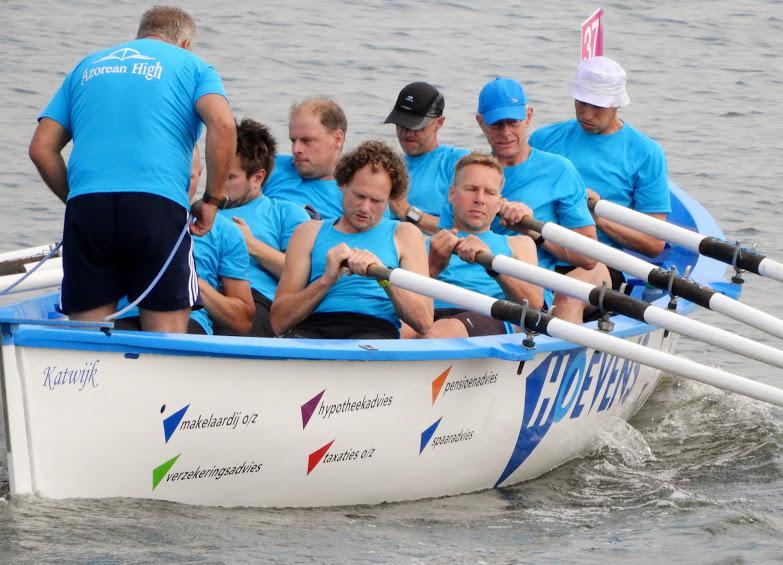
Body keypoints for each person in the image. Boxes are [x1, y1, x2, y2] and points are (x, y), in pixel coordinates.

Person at [28, 6, 236, 333]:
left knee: (87, 338)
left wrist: (76, 198)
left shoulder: (87, 66)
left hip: (89, 206)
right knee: (166, 335)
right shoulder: (193, 66)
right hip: (156, 205)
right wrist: (211, 200)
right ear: (184, 44)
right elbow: (223, 125)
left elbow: (42, 148)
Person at [440, 77, 611, 323]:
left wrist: (534, 232)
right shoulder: (471, 174)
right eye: (497, 124)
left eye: (513, 122)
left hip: (528, 293)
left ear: (528, 117)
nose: (506, 133)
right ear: (480, 123)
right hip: (465, 283)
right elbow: (447, 237)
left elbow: (588, 256)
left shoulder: (559, 170)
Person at [271, 140, 433, 339]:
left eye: (376, 201)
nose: (365, 208)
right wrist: (326, 281)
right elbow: (278, 323)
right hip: (312, 328)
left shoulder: (405, 234)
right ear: (342, 184)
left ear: (390, 198)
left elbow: (423, 322)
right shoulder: (307, 233)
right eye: (359, 196)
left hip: (373, 331)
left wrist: (385, 278)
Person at [529, 56, 671, 258]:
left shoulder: (647, 154)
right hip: (536, 249)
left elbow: (654, 244)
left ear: (616, 104)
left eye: (597, 106)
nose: (586, 115)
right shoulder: (543, 138)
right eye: (582, 103)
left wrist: (597, 216)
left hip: (598, 260)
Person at [115, 147, 254, 335]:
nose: (176, 186)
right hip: (126, 317)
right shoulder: (122, 220)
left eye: (185, 177)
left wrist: (184, 278)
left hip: (190, 321)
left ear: (199, 174)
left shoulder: (224, 231)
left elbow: (243, 320)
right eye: (168, 177)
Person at [417, 152, 543, 339]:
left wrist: (492, 265)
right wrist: (432, 264)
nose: (480, 199)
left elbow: (533, 305)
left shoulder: (519, 243)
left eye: (490, 192)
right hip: (429, 313)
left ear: (499, 202)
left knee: (439, 332)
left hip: (490, 313)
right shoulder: (420, 242)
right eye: (471, 189)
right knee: (402, 330)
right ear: (452, 194)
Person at [217, 118, 310, 337]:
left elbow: (303, 276)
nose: (218, 183)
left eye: (229, 177)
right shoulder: (200, 212)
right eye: (215, 171)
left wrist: (250, 245)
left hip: (257, 300)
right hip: (201, 297)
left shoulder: (287, 213)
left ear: (257, 178)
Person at [384, 82, 469, 234]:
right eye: (402, 124)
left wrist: (406, 212)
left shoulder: (457, 163)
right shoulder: (386, 166)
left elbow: (464, 230)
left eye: (417, 126)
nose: (408, 133)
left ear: (439, 123)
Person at [262, 97, 347, 220]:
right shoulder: (268, 166)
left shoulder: (357, 195)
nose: (296, 149)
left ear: (337, 139)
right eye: (293, 140)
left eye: (307, 140)